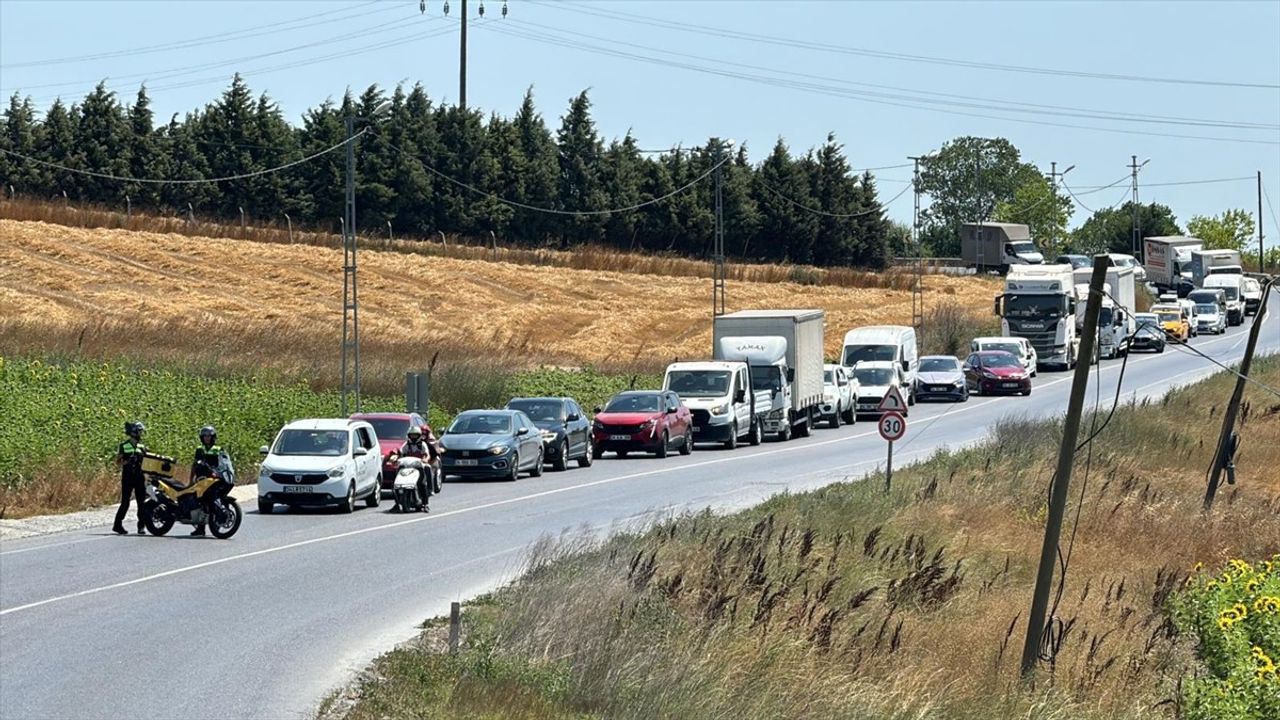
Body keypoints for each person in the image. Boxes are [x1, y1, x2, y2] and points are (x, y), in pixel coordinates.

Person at [189, 425, 234, 537]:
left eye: (209, 436)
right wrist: (191, 479)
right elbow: (194, 465)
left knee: (212, 499)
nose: (207, 438)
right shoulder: (199, 449)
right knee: (200, 502)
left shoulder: (218, 449)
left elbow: (225, 463)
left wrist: (225, 474)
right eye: (205, 436)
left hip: (214, 479)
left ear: (213, 437)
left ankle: (216, 523)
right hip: (201, 480)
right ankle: (200, 528)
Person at [113, 421, 148, 536]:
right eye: (139, 432)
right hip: (128, 477)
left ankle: (141, 526)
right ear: (134, 433)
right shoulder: (124, 446)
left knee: (141, 503)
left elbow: (147, 462)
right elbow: (118, 462)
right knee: (125, 503)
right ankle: (117, 525)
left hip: (139, 477)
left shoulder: (142, 447)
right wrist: (127, 461)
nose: (141, 434)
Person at [397, 426, 439, 506]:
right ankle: (397, 502)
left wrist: (425, 460)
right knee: (397, 476)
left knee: (423, 479)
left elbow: (427, 455)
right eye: (412, 435)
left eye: (415, 435)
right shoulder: (406, 444)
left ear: (419, 435)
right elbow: (400, 452)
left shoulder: (422, 444)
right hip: (408, 466)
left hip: (419, 466)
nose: (413, 437)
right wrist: (396, 458)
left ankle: (426, 499)